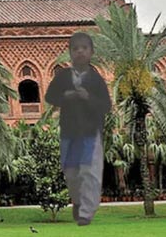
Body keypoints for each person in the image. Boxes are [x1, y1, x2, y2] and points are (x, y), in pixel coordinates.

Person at [45, 32, 111, 226]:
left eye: (84, 48)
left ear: (91, 52)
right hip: (69, 131)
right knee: (71, 172)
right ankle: (78, 201)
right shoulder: (63, 76)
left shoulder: (96, 79)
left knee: (89, 172)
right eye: (76, 48)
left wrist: (88, 98)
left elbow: (106, 105)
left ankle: (86, 213)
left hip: (90, 132)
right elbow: (50, 96)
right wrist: (66, 97)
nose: (80, 52)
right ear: (70, 53)